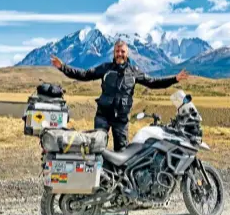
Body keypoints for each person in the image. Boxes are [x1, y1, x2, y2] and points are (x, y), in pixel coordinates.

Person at [50, 39, 189, 151]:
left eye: (122, 51)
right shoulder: (105, 69)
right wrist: (63, 67)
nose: (120, 54)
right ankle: (99, 182)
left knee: (121, 153)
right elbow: (84, 75)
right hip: (103, 116)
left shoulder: (134, 72)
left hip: (121, 120)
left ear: (127, 53)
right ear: (114, 53)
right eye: (117, 51)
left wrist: (174, 79)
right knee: (97, 149)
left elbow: (153, 82)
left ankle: (117, 185)